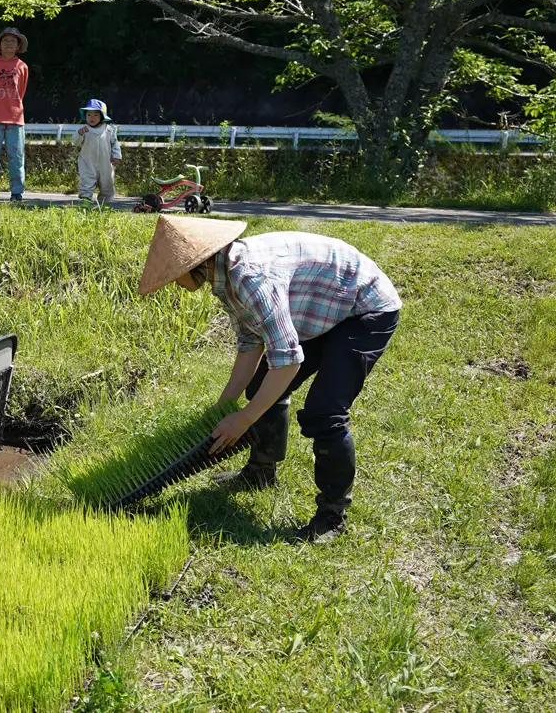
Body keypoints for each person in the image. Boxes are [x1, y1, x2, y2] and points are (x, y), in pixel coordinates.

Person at [136, 215, 402, 542]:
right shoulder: (224, 276)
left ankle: (332, 515)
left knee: (324, 412)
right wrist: (224, 407)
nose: (173, 281)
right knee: (260, 386)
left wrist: (245, 418)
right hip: (322, 309)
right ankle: (261, 471)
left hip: (364, 308)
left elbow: (287, 360)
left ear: (197, 264)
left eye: (175, 274)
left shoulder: (248, 277)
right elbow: (251, 342)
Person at [0, 27, 29, 202]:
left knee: (16, 157)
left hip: (15, 118)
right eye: (5, 40)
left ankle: (17, 192)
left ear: (18, 45)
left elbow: (21, 92)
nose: (9, 43)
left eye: (13, 41)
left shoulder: (22, 66)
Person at [72, 99, 121, 207]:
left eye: (95, 115)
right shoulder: (84, 129)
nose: (92, 118)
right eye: (89, 115)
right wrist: (79, 134)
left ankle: (103, 206)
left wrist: (117, 155)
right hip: (87, 162)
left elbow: (115, 143)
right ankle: (85, 205)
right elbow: (75, 142)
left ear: (102, 116)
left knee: (107, 184)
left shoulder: (109, 130)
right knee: (86, 182)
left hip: (105, 163)